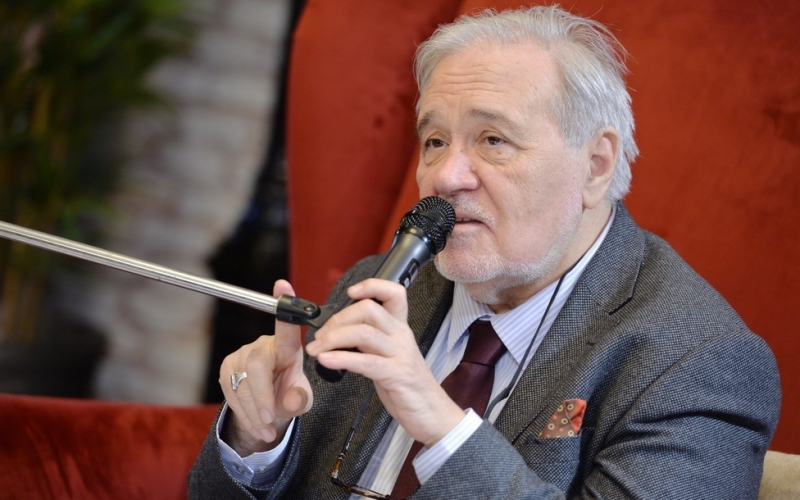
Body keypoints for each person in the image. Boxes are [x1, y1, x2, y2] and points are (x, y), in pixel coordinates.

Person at [189, 6, 781, 499]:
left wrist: (442, 427)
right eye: (435, 140)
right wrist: (256, 442)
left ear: (595, 165)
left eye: (493, 140)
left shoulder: (699, 364)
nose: (445, 176)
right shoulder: (380, 287)